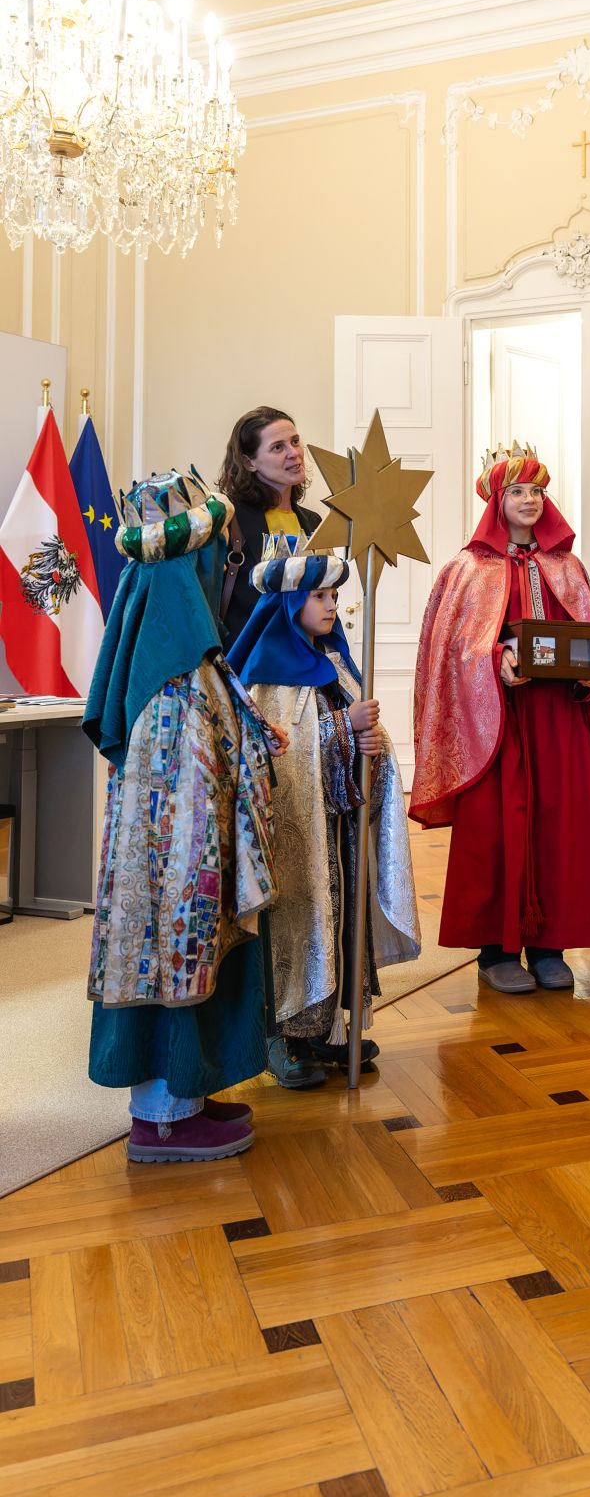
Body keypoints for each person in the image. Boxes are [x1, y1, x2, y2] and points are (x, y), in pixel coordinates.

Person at [84, 469, 284, 1162]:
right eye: (220, 555)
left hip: (182, 857)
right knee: (173, 960)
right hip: (177, 872)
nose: (224, 569)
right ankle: (164, 1117)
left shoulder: (179, 658)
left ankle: (186, 1092)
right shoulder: (176, 679)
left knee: (185, 959)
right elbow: (186, 796)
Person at [410, 443, 590, 994]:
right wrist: (494, 661)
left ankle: (551, 946)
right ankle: (497, 951)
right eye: (517, 491)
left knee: (561, 826)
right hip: (499, 723)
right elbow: (448, 652)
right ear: (497, 500)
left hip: (559, 720)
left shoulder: (568, 567)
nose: (530, 499)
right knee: (497, 827)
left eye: (537, 490)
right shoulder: (466, 570)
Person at [228, 534, 420, 1072]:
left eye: (334, 594)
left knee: (338, 920)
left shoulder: (334, 660)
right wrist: (342, 727)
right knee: (295, 922)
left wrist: (370, 743)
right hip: (293, 838)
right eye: (319, 596)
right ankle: (280, 1037)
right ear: (291, 600)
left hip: (337, 829)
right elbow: (277, 754)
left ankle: (327, 1025)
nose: (332, 604)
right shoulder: (266, 673)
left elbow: (359, 737)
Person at [217, 406, 321, 648]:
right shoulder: (228, 519)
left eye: (295, 441)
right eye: (278, 447)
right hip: (247, 659)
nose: (294, 453)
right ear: (249, 462)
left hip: (305, 659)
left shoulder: (313, 522)